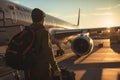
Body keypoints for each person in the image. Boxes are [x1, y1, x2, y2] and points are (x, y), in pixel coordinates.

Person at [24, 8, 62, 80]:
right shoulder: (43, 32)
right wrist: (56, 68)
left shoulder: (27, 31)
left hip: (29, 68)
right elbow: (48, 51)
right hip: (41, 69)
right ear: (42, 20)